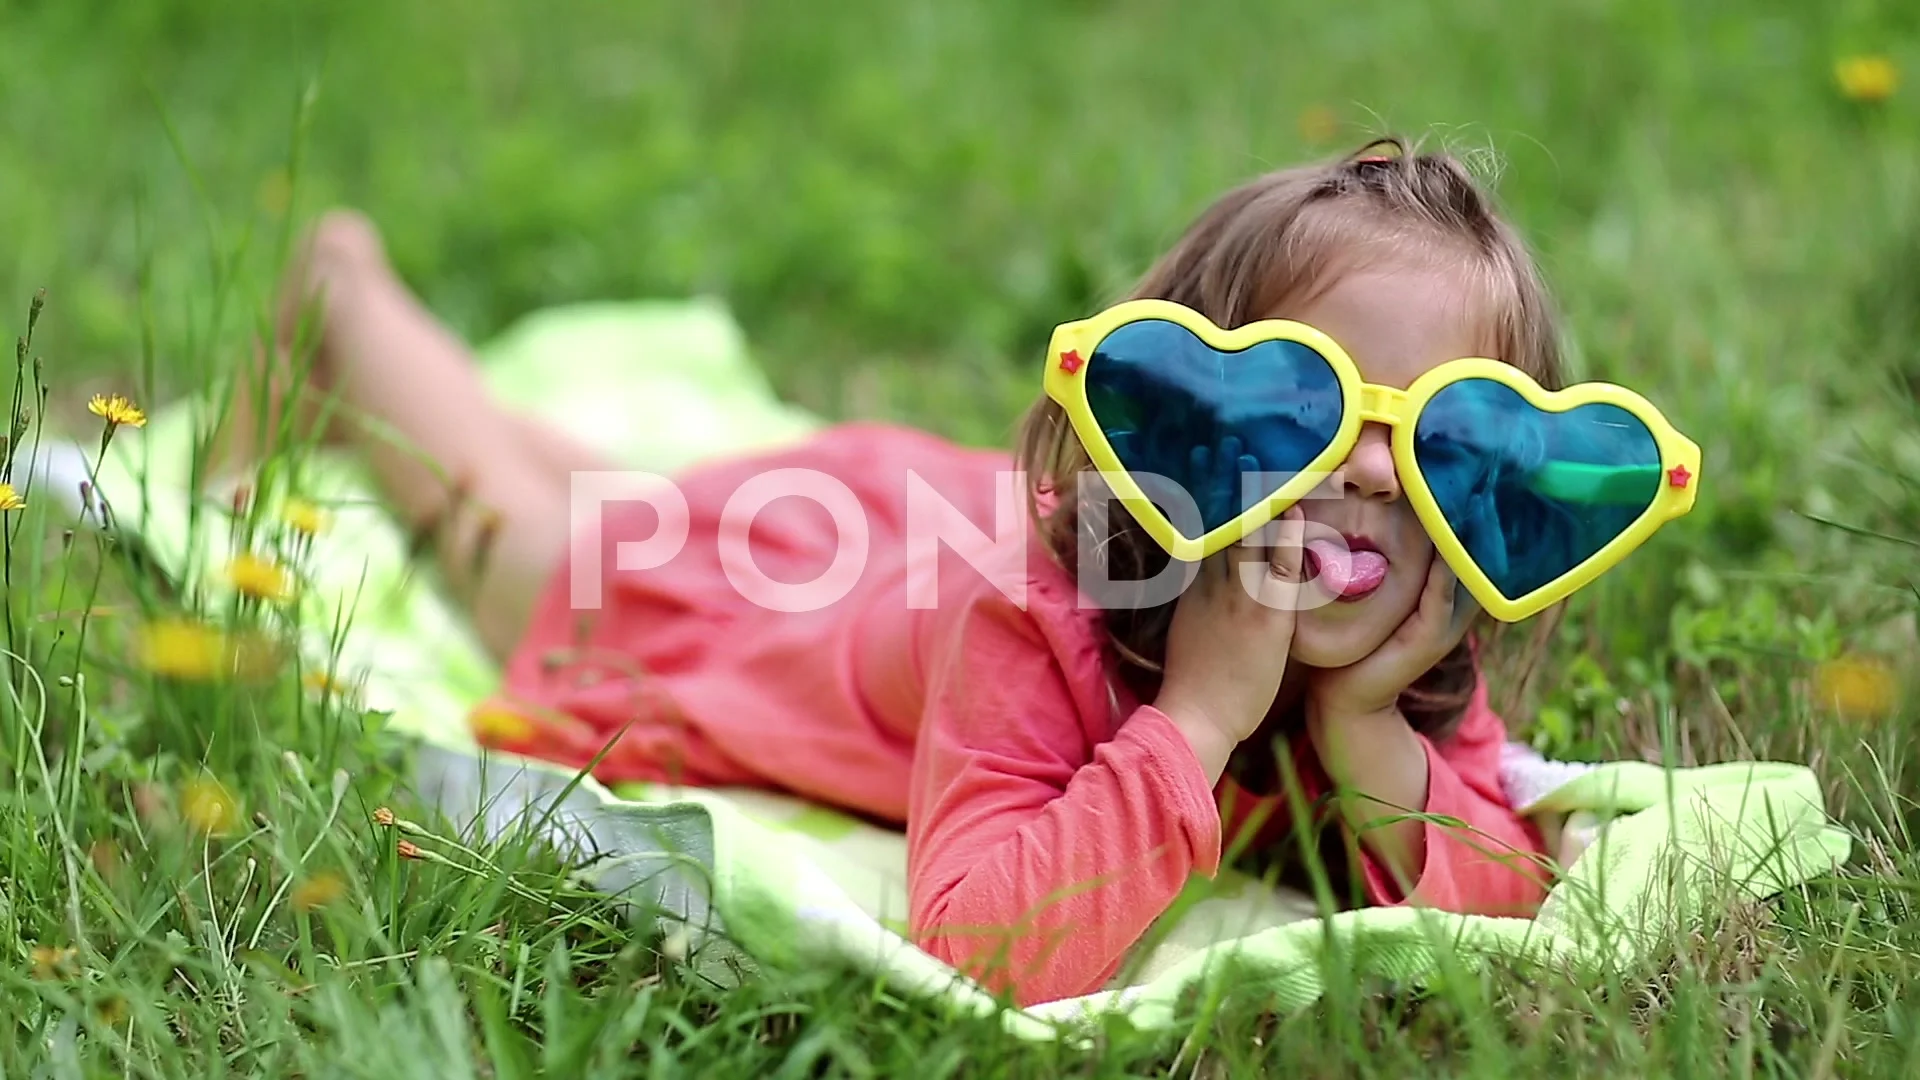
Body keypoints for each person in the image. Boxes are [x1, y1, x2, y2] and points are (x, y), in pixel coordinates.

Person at [225, 136, 1605, 1006]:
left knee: (599, 485)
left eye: (1441, 435)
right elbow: (990, 944)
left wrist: (1364, 736)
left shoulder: (1402, 638)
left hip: (899, 530)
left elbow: (1504, 900)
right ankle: (341, 290)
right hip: (764, 619)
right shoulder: (1040, 622)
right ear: (1183, 419)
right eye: (1313, 406)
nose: (1375, 470)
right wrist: (1196, 720)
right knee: (501, 529)